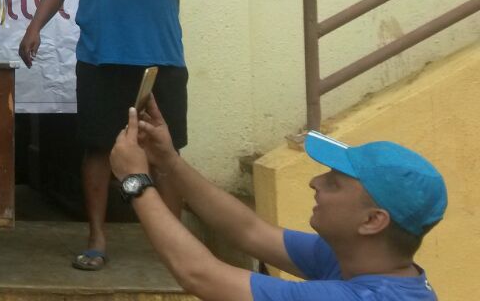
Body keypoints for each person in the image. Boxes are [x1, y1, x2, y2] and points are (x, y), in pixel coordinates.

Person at [18, 0, 208, 271]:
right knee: (98, 147)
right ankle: (97, 238)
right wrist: (34, 27)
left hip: (160, 58)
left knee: (165, 152)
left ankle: (174, 245)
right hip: (101, 58)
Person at [110, 100, 446, 300]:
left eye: (334, 183)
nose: (315, 182)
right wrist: (169, 160)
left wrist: (134, 181)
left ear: (372, 221)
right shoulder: (356, 259)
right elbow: (249, 231)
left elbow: (200, 275)